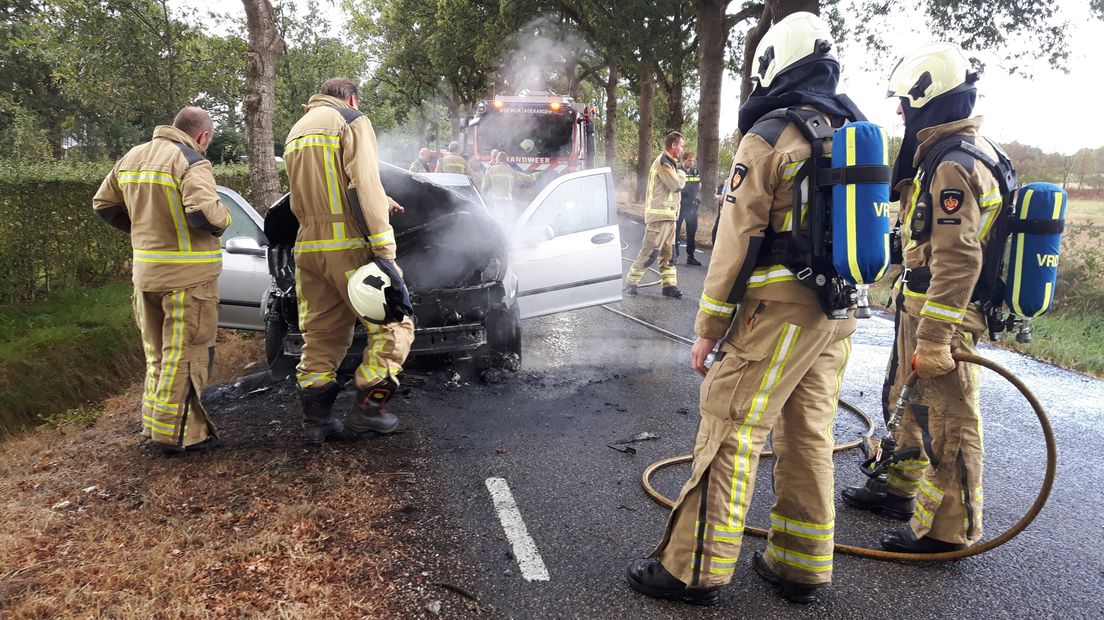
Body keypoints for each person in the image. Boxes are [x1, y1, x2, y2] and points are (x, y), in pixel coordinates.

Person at [626, 12, 867, 605]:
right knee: (807, 431)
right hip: (840, 313)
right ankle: (798, 562)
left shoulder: (772, 133)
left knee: (732, 422)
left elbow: (734, 241)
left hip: (778, 311)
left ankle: (692, 569)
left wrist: (708, 328)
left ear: (773, 62)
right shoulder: (852, 125)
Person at [841, 42, 996, 555]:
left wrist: (935, 337)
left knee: (948, 422)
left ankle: (946, 532)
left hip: (943, 317)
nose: (901, 113)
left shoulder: (955, 164)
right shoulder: (945, 156)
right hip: (919, 304)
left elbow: (960, 259)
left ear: (929, 99)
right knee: (907, 405)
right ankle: (896, 491)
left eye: (906, 103)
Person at [92, 107, 230, 455]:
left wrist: (140, 230)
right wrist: (223, 219)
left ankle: (156, 424)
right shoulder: (191, 161)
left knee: (158, 356)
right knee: (184, 356)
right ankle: (179, 435)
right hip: (188, 279)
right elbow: (204, 213)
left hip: (146, 275)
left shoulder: (132, 157)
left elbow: (104, 204)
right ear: (203, 136)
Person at [284, 77, 415, 445]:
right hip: (351, 248)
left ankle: (317, 423)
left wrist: (382, 198)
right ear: (352, 98)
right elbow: (363, 184)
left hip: (308, 247)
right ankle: (368, 413)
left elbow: (326, 187)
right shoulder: (351, 119)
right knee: (395, 326)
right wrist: (384, 250)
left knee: (321, 335)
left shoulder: (297, 130)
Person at [624, 131, 687, 298]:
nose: (682, 149)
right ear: (673, 146)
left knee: (669, 254)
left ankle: (669, 286)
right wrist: (682, 173)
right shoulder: (664, 162)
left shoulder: (671, 163)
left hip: (670, 217)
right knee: (650, 253)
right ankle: (631, 281)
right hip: (658, 218)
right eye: (681, 146)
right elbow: (676, 185)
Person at [674, 151, 702, 266]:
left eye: (692, 160)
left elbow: (698, 185)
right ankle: (674, 256)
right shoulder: (678, 170)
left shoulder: (695, 171)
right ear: (684, 160)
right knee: (676, 232)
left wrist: (696, 198)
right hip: (680, 205)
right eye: (689, 160)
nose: (691, 162)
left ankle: (690, 257)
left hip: (691, 206)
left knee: (692, 231)